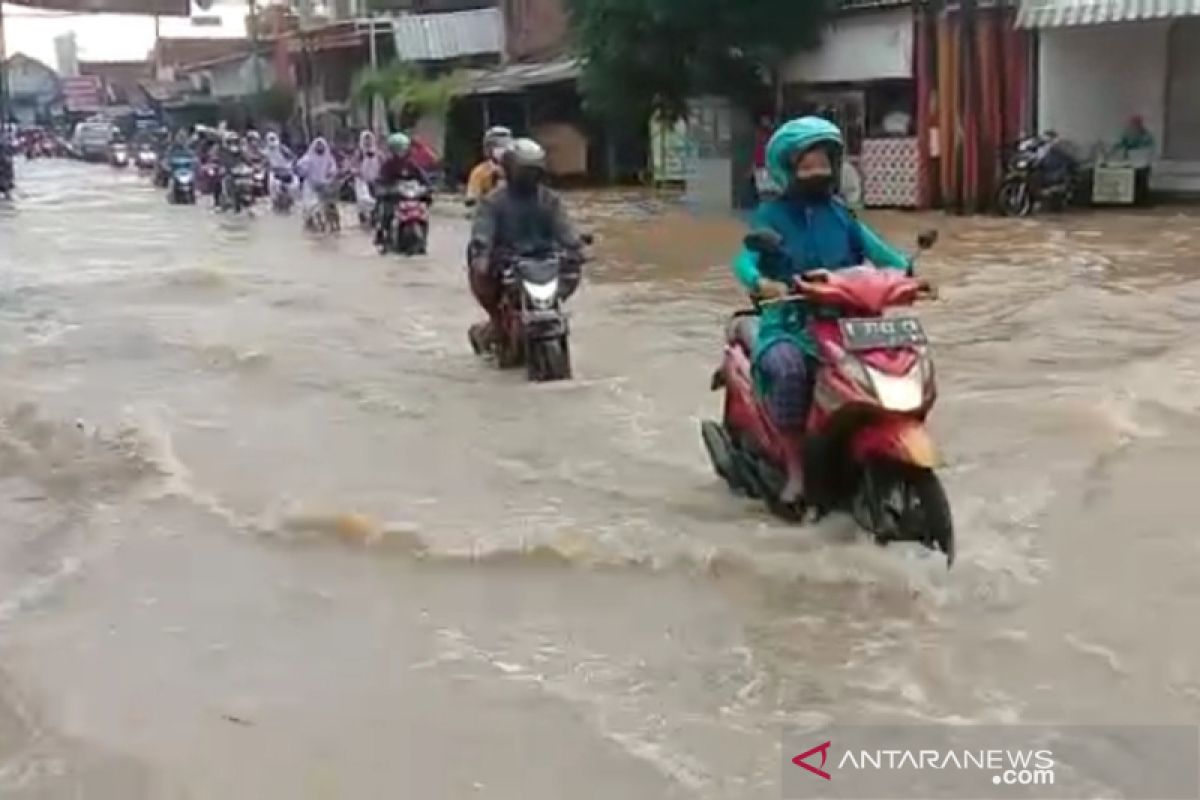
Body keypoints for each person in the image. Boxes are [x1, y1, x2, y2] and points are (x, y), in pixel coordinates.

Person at [730, 116, 917, 506]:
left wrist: (910, 273)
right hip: (791, 320)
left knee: (898, 358)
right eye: (807, 162)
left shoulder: (841, 216)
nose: (818, 170)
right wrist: (761, 282)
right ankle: (796, 469)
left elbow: (882, 252)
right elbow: (744, 260)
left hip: (849, 320)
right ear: (788, 167)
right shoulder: (771, 217)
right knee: (790, 370)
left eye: (824, 160)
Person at [467, 138, 585, 352]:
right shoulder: (493, 202)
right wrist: (482, 256)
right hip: (506, 267)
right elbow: (483, 232)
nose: (528, 176)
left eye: (533, 171)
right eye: (523, 171)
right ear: (510, 169)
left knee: (570, 274)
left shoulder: (550, 200)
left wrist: (576, 248)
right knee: (486, 285)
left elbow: (565, 229)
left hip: (545, 266)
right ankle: (494, 329)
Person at [374, 132, 432, 247]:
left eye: (403, 149)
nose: (401, 152)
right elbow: (380, 180)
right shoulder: (388, 165)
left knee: (424, 211)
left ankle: (424, 241)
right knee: (386, 213)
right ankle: (383, 234)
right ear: (392, 150)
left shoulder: (411, 164)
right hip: (394, 197)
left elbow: (423, 178)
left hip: (411, 196)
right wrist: (384, 189)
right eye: (398, 149)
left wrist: (428, 188)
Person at [295, 137, 339, 229]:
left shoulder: (329, 157)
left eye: (321, 145)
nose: (319, 147)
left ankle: (327, 223)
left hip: (324, 184)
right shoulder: (308, 157)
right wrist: (302, 169)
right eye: (318, 145)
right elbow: (299, 168)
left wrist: (331, 174)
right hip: (310, 185)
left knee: (328, 206)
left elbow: (333, 169)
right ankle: (310, 221)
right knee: (310, 205)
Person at [465, 126, 513, 206]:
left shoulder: (515, 170)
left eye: (505, 145)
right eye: (497, 146)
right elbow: (471, 199)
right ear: (488, 149)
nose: (502, 149)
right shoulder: (480, 171)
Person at [1117, 115, 1155, 205]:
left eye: (1136, 123)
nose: (1134, 126)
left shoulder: (1146, 135)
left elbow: (1148, 147)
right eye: (1133, 124)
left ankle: (1142, 201)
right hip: (1132, 162)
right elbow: (1122, 144)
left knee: (1142, 183)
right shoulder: (1127, 134)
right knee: (1132, 183)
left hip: (1143, 163)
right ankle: (1133, 200)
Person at [353, 131, 383, 224]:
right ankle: (363, 216)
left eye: (369, 139)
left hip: (376, 180)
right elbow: (353, 164)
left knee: (376, 199)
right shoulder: (360, 153)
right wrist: (356, 171)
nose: (368, 142)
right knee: (363, 200)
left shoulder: (378, 152)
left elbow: (383, 162)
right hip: (362, 180)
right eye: (366, 140)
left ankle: (375, 217)